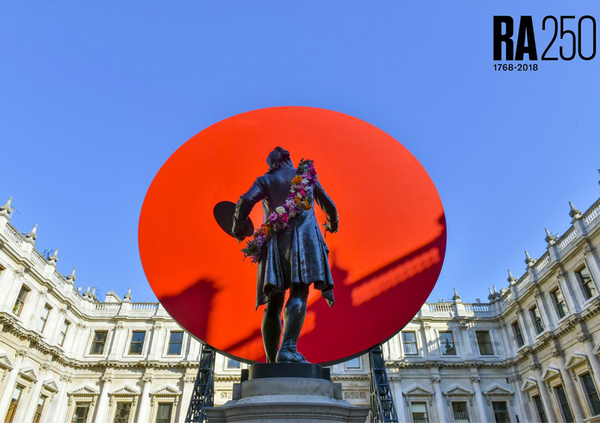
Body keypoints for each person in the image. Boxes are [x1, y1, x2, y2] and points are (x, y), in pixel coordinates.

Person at [232, 146, 339, 363]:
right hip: (306, 241)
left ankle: (272, 362)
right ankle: (288, 348)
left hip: (275, 243)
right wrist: (332, 223)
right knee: (299, 290)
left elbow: (244, 200)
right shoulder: (306, 177)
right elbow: (329, 204)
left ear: (272, 164)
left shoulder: (265, 180)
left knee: (274, 300)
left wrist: (237, 228)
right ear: (288, 159)